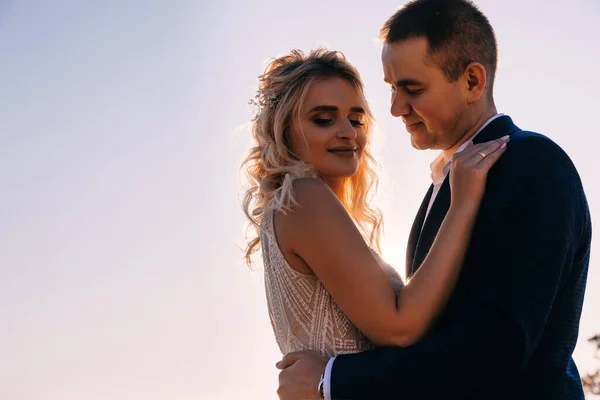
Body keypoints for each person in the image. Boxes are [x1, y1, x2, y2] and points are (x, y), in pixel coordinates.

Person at [275, 1, 592, 399]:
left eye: (411, 89)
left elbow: (499, 344)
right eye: (392, 89)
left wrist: (334, 380)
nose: (394, 109)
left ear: (473, 81)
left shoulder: (532, 164)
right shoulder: (440, 190)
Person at [241, 46, 509, 395]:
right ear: (283, 130)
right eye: (323, 119)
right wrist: (462, 206)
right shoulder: (304, 198)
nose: (348, 133)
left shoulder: (294, 207)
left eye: (355, 119)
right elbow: (399, 329)